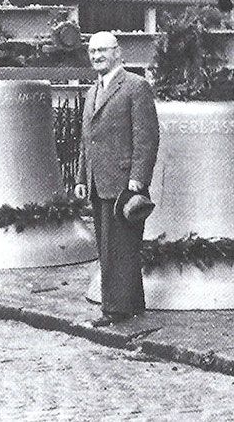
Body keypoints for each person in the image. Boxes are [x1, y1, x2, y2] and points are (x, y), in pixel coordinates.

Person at [75, 31, 159, 327]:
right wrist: (82, 176)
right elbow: (88, 139)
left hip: (124, 183)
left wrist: (138, 177)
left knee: (120, 247)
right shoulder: (91, 91)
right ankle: (130, 304)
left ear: (117, 53)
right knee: (108, 246)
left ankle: (115, 310)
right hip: (99, 181)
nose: (97, 56)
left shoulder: (136, 87)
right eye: (92, 51)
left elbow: (147, 137)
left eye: (103, 51)